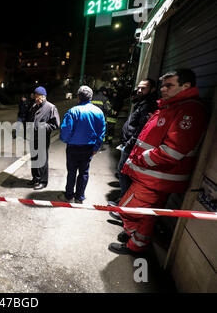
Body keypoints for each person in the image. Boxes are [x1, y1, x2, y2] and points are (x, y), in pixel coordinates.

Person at [108, 69, 208, 255]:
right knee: (147, 215)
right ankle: (136, 242)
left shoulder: (189, 110)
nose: (163, 89)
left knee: (126, 209)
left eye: (169, 85)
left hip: (154, 177)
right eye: (163, 85)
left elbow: (172, 152)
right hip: (155, 177)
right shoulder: (172, 106)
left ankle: (134, 238)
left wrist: (140, 159)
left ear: (186, 86)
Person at [109, 78, 158, 214]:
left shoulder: (148, 104)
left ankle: (124, 208)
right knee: (123, 173)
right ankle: (123, 202)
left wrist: (129, 144)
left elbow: (142, 128)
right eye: (139, 87)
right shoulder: (142, 102)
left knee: (124, 172)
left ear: (152, 89)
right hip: (130, 144)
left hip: (133, 146)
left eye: (144, 88)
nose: (140, 90)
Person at [60, 86, 106, 203]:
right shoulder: (98, 112)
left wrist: (67, 140)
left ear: (78, 97)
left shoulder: (73, 111)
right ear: (91, 97)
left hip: (73, 147)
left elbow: (66, 130)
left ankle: (69, 195)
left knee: (71, 171)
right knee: (84, 172)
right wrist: (96, 147)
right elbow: (102, 132)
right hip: (89, 147)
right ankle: (79, 197)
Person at [26, 86, 60, 190]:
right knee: (34, 158)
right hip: (33, 137)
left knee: (42, 160)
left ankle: (43, 181)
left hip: (42, 137)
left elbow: (55, 124)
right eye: (35, 96)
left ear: (44, 96)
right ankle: (36, 178)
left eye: (38, 97)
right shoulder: (34, 106)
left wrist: (42, 126)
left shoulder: (50, 107)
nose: (36, 99)